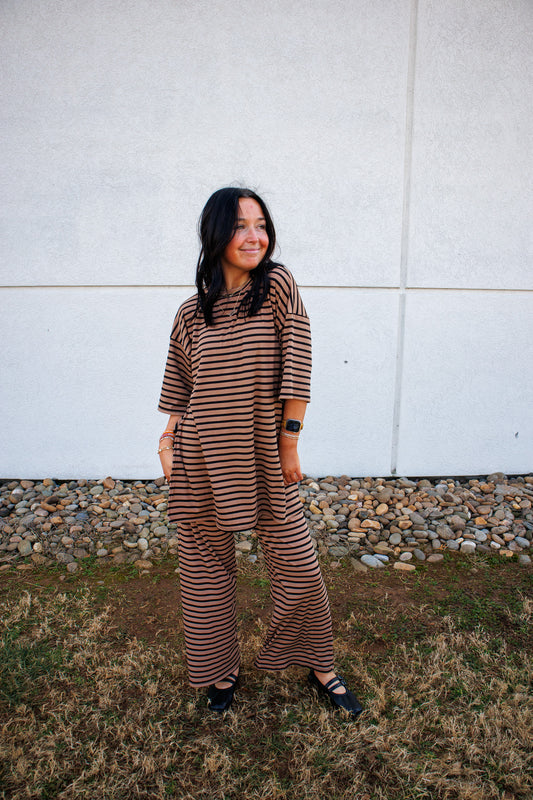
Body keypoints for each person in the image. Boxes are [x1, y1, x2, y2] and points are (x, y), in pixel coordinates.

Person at [158, 187, 363, 718]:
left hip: (265, 454)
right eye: (241, 225)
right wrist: (167, 448)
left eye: (262, 224)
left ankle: (321, 665)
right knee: (203, 568)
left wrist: (289, 440)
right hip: (200, 457)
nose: (255, 236)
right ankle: (221, 668)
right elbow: (181, 392)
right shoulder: (189, 312)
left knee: (297, 561)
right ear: (215, 234)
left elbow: (298, 365)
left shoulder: (276, 287)